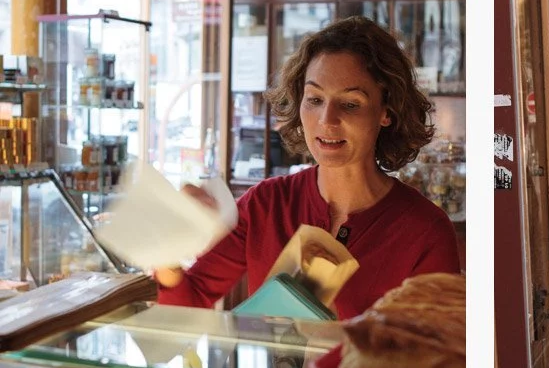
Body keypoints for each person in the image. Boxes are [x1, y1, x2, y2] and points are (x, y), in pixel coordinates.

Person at [155, 16, 461, 319]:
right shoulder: (265, 205)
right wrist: (167, 245)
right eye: (314, 99)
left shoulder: (425, 231)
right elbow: (186, 304)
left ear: (386, 111)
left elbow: (436, 354)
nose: (327, 120)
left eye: (351, 103)